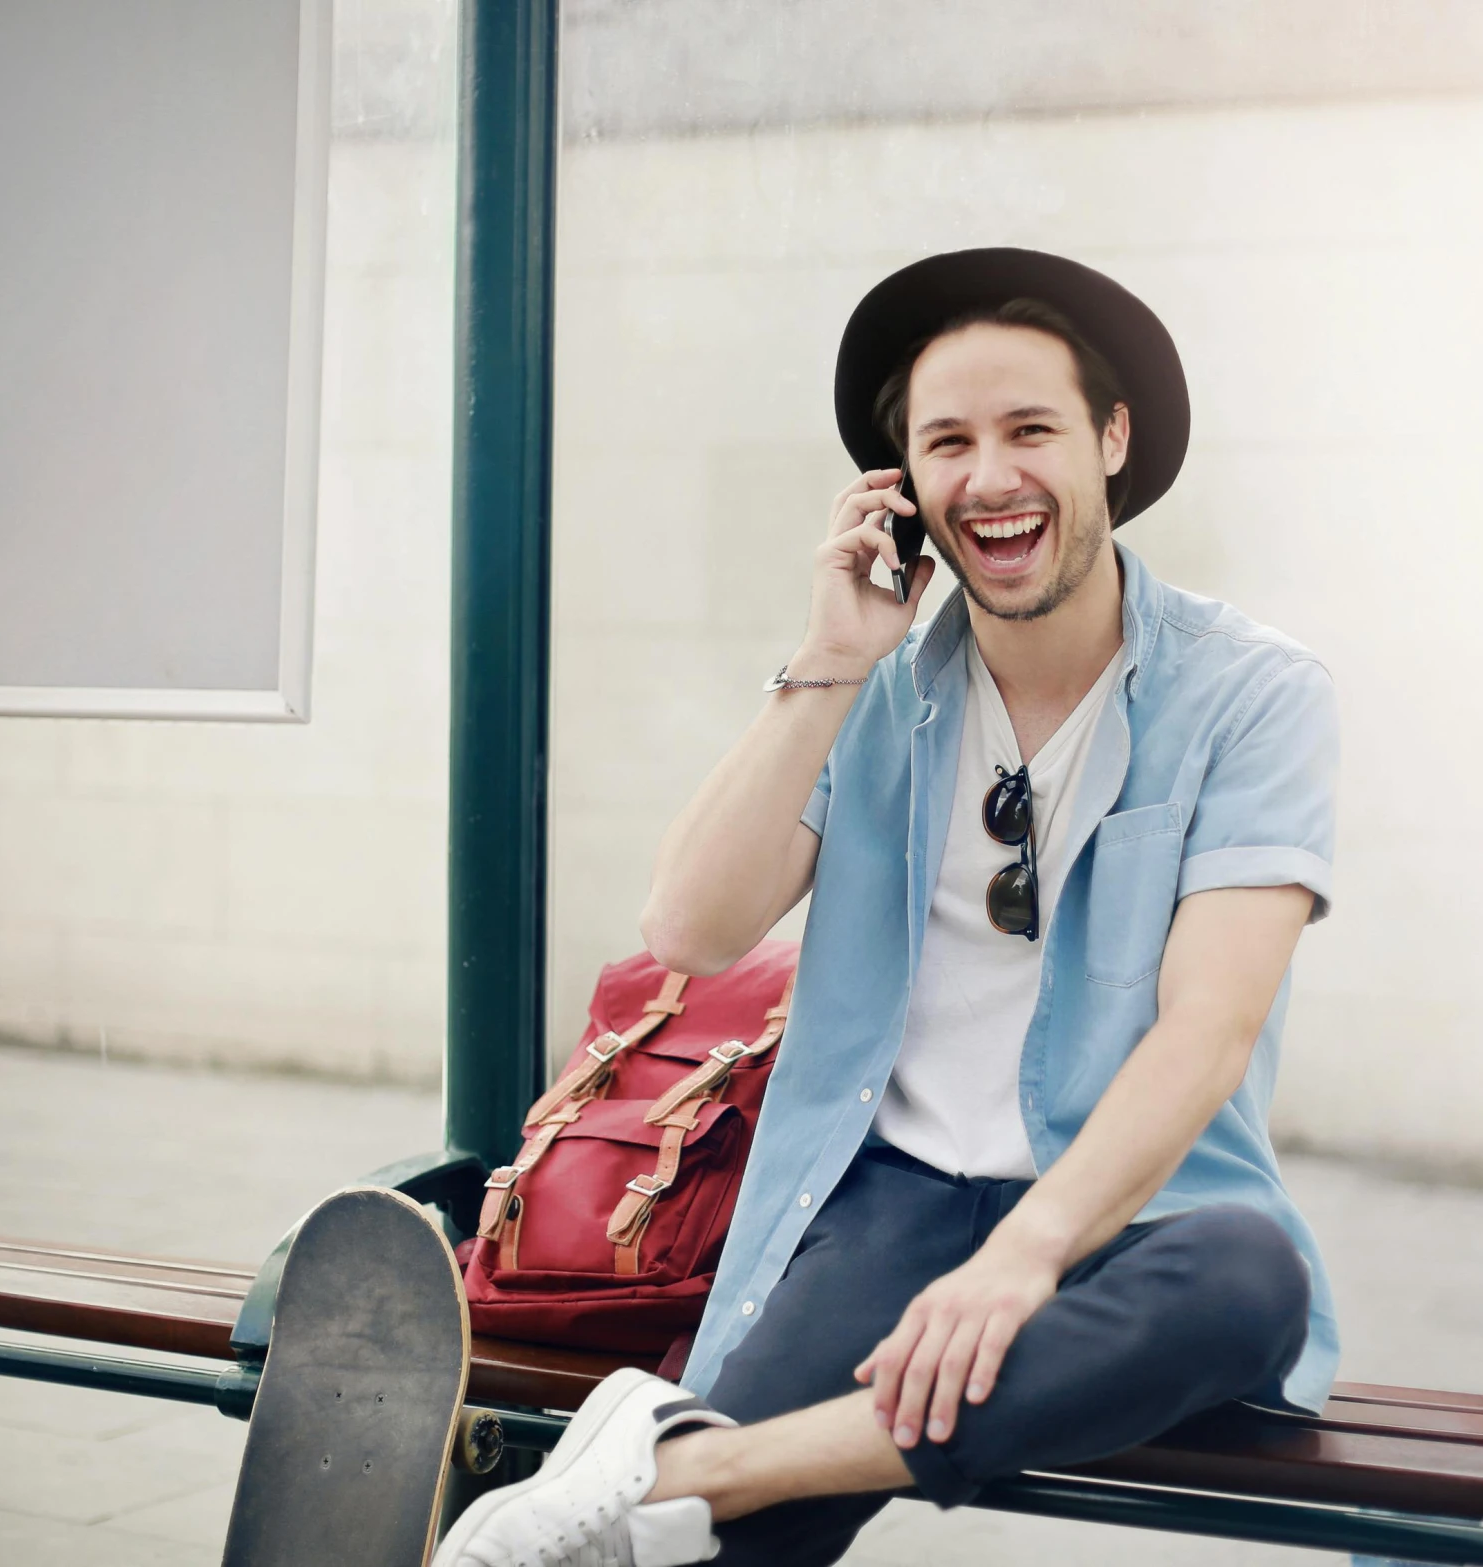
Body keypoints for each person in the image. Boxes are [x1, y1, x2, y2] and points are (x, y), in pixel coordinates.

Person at [435, 248, 1342, 1567]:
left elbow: (1205, 1034)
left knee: (1252, 1283)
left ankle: (696, 1459)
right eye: (947, 441)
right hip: (885, 1197)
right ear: (904, 485)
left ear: (1110, 440)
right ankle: (714, 1486)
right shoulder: (873, 688)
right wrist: (829, 661)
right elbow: (688, 928)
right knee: (730, 1556)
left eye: (1029, 428)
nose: (989, 475)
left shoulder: (1250, 693)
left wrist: (1021, 1257)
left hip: (1118, 1205)